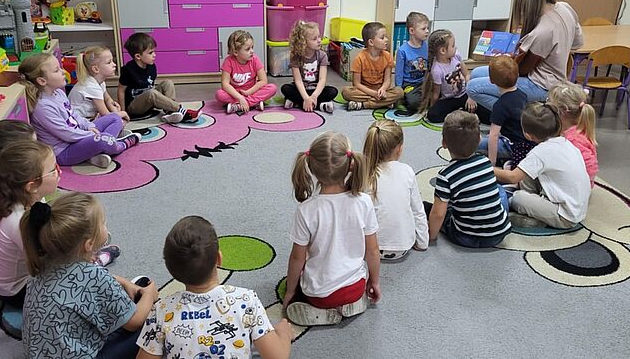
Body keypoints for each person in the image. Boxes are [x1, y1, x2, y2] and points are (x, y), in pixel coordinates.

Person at [21, 192, 158, 359]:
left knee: (130, 294)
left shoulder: (44, 263)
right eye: (103, 223)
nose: (106, 225)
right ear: (89, 244)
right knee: (155, 320)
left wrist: (125, 283)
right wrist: (149, 294)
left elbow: (82, 285)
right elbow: (135, 322)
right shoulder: (94, 277)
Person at [136, 216, 294, 359]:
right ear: (219, 259)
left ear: (171, 270)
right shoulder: (246, 300)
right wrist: (284, 334)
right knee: (258, 341)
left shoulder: (161, 310)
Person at [284, 131, 381, 326]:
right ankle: (351, 305)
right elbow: (372, 251)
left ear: (311, 168)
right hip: (355, 288)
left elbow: (297, 258)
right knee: (353, 283)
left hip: (319, 294)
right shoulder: (364, 202)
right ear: (350, 164)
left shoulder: (306, 210)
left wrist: (290, 291)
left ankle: (321, 310)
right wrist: (374, 282)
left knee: (303, 284)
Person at [467, 0, 584, 110]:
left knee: (473, 87)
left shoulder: (542, 32)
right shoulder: (565, 8)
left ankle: (515, 116)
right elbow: (578, 43)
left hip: (541, 86)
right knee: (476, 73)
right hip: (556, 78)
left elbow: (520, 71)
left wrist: (506, 59)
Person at [18, 53, 141, 169]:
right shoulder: (43, 107)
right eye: (56, 70)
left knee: (115, 118)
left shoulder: (59, 93)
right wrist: (92, 135)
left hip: (78, 136)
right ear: (42, 81)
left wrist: (88, 126)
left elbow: (74, 115)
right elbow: (66, 133)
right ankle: (121, 144)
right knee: (102, 140)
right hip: (63, 151)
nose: (63, 71)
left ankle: (99, 149)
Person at [0, 140, 58, 308]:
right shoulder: (19, 221)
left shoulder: (31, 199)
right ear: (32, 185)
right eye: (53, 170)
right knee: (74, 283)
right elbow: (45, 262)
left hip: (24, 275)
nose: (59, 172)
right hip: (16, 291)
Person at [494, 103, 591, 229]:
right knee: (527, 170)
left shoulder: (541, 152)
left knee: (517, 198)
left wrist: (487, 168)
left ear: (528, 135)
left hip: (565, 216)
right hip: (576, 207)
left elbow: (512, 177)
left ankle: (533, 217)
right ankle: (534, 205)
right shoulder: (566, 144)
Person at [427, 111, 511, 248]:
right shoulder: (485, 162)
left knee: (430, 207)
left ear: (444, 143)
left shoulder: (446, 175)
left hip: (465, 237)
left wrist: (431, 237)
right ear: (479, 140)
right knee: (499, 190)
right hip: (498, 235)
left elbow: (438, 214)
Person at [362, 120, 428, 260]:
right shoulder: (407, 171)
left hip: (368, 248)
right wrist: (422, 242)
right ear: (399, 149)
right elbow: (418, 211)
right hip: (403, 247)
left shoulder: (363, 174)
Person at [119, 32, 200, 124]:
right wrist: (123, 112)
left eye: (154, 51)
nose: (154, 55)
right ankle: (181, 110)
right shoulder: (128, 70)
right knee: (151, 93)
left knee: (167, 83)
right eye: (150, 53)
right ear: (138, 56)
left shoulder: (151, 66)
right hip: (134, 107)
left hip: (148, 102)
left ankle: (170, 112)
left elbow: (151, 85)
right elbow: (121, 91)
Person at [418, 29, 489, 124]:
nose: (456, 47)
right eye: (453, 45)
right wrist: (432, 107)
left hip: (465, 94)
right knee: (433, 116)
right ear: (443, 50)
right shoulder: (436, 70)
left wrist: (471, 97)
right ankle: (461, 113)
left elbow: (467, 75)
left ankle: (461, 112)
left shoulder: (456, 56)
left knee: (488, 116)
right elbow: (436, 93)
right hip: (449, 99)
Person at [477, 55, 534, 166]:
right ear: (518, 75)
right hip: (526, 143)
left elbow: (493, 136)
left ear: (491, 80)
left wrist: (492, 162)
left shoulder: (500, 105)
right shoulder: (523, 95)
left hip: (511, 146)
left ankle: (505, 159)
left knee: (477, 143)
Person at [341, 22, 404, 110]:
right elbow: (357, 84)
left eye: (386, 37)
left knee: (399, 92)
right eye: (382, 38)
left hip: (381, 90)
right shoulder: (359, 58)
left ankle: (363, 105)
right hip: (364, 91)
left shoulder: (387, 56)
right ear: (371, 42)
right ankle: (384, 103)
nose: (386, 40)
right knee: (346, 92)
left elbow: (387, 80)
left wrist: (383, 89)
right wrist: (373, 94)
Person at [546, 82, 598, 187]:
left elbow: (590, 168)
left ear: (563, 111)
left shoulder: (573, 140)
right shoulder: (571, 130)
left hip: (573, 186)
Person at [281, 20, 338, 113]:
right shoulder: (295, 56)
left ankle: (298, 103)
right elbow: (298, 80)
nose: (319, 40)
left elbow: (322, 80)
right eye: (314, 39)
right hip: (301, 90)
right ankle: (319, 105)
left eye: (319, 37)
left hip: (316, 90)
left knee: (332, 91)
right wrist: (306, 98)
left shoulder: (322, 55)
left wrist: (314, 96)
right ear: (303, 42)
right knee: (286, 88)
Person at [216, 30, 278, 114]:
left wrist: (250, 92)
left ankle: (239, 105)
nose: (252, 51)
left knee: (272, 88)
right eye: (247, 49)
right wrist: (240, 97)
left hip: (252, 92)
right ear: (236, 52)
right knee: (219, 94)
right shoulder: (228, 62)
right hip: (235, 93)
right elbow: (225, 84)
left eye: (252, 47)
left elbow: (263, 80)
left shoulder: (255, 60)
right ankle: (253, 103)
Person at [69, 46, 130, 123]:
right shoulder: (91, 86)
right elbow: (106, 115)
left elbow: (107, 99)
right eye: (109, 62)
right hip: (79, 122)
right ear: (96, 69)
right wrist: (122, 113)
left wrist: (115, 110)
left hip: (90, 118)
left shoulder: (100, 82)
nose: (114, 65)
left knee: (118, 120)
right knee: (117, 121)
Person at [395, 12, 430, 114]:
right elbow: (399, 72)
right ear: (412, 31)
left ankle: (424, 100)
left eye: (427, 28)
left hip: (424, 82)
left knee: (440, 95)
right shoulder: (402, 50)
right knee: (414, 103)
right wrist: (399, 89)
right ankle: (406, 99)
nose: (427, 31)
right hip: (409, 84)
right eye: (423, 29)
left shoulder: (427, 46)